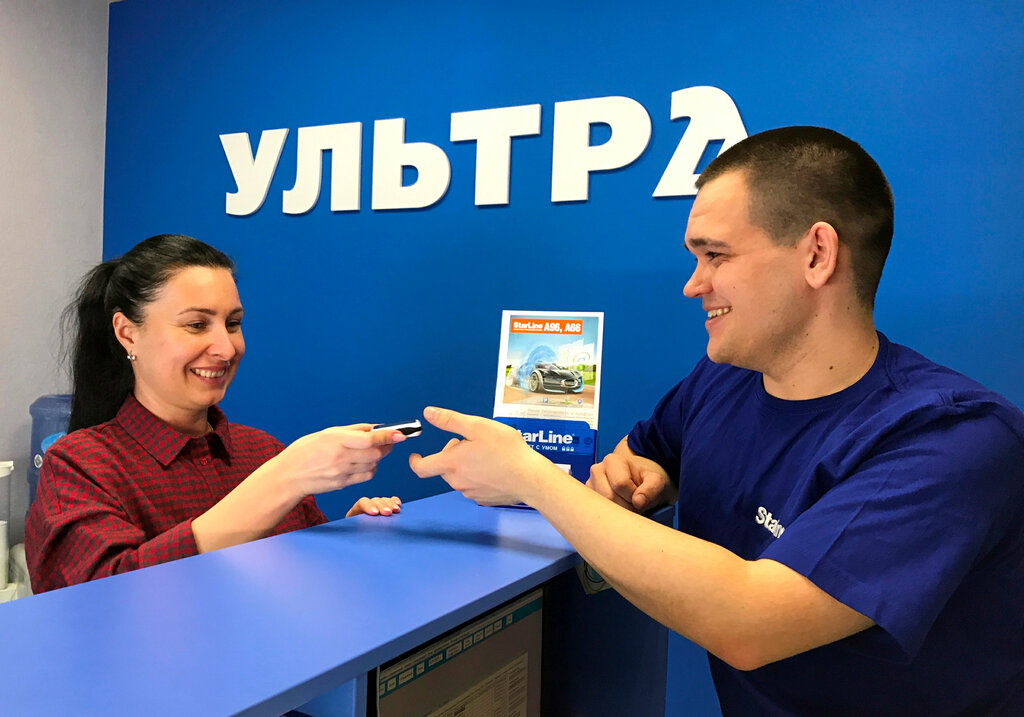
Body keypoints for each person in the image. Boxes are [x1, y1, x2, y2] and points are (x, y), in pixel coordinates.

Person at [407, 127, 1024, 714]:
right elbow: (643, 458)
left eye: (715, 255)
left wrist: (530, 476)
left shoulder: (952, 437)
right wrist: (640, 478)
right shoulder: (723, 380)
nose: (693, 285)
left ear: (817, 254)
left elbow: (749, 622)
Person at [26, 234, 405, 593]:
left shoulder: (262, 451)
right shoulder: (78, 466)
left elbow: (300, 585)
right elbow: (100, 599)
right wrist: (283, 480)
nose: (226, 348)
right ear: (127, 333)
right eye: (196, 325)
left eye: (233, 324)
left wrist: (343, 540)